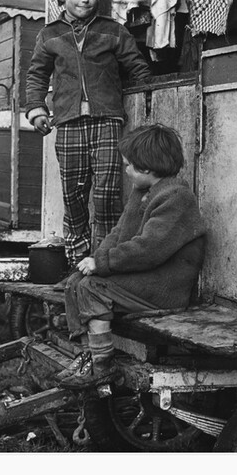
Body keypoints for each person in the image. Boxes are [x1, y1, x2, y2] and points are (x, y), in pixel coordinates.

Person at [24, 0, 152, 277]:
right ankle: (75, 262)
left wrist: (149, 99)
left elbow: (137, 67)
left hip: (107, 121)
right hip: (67, 123)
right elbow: (36, 76)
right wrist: (37, 109)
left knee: (107, 193)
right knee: (73, 193)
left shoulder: (113, 30)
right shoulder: (49, 35)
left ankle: (104, 260)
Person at [55, 123, 206, 389]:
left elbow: (149, 249)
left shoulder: (176, 197)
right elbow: (119, 233)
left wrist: (103, 264)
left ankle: (102, 365)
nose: (125, 171)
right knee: (76, 282)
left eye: (129, 166)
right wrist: (95, 261)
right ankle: (87, 355)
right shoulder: (142, 192)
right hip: (146, 278)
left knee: (92, 288)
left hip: (165, 287)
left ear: (146, 169)